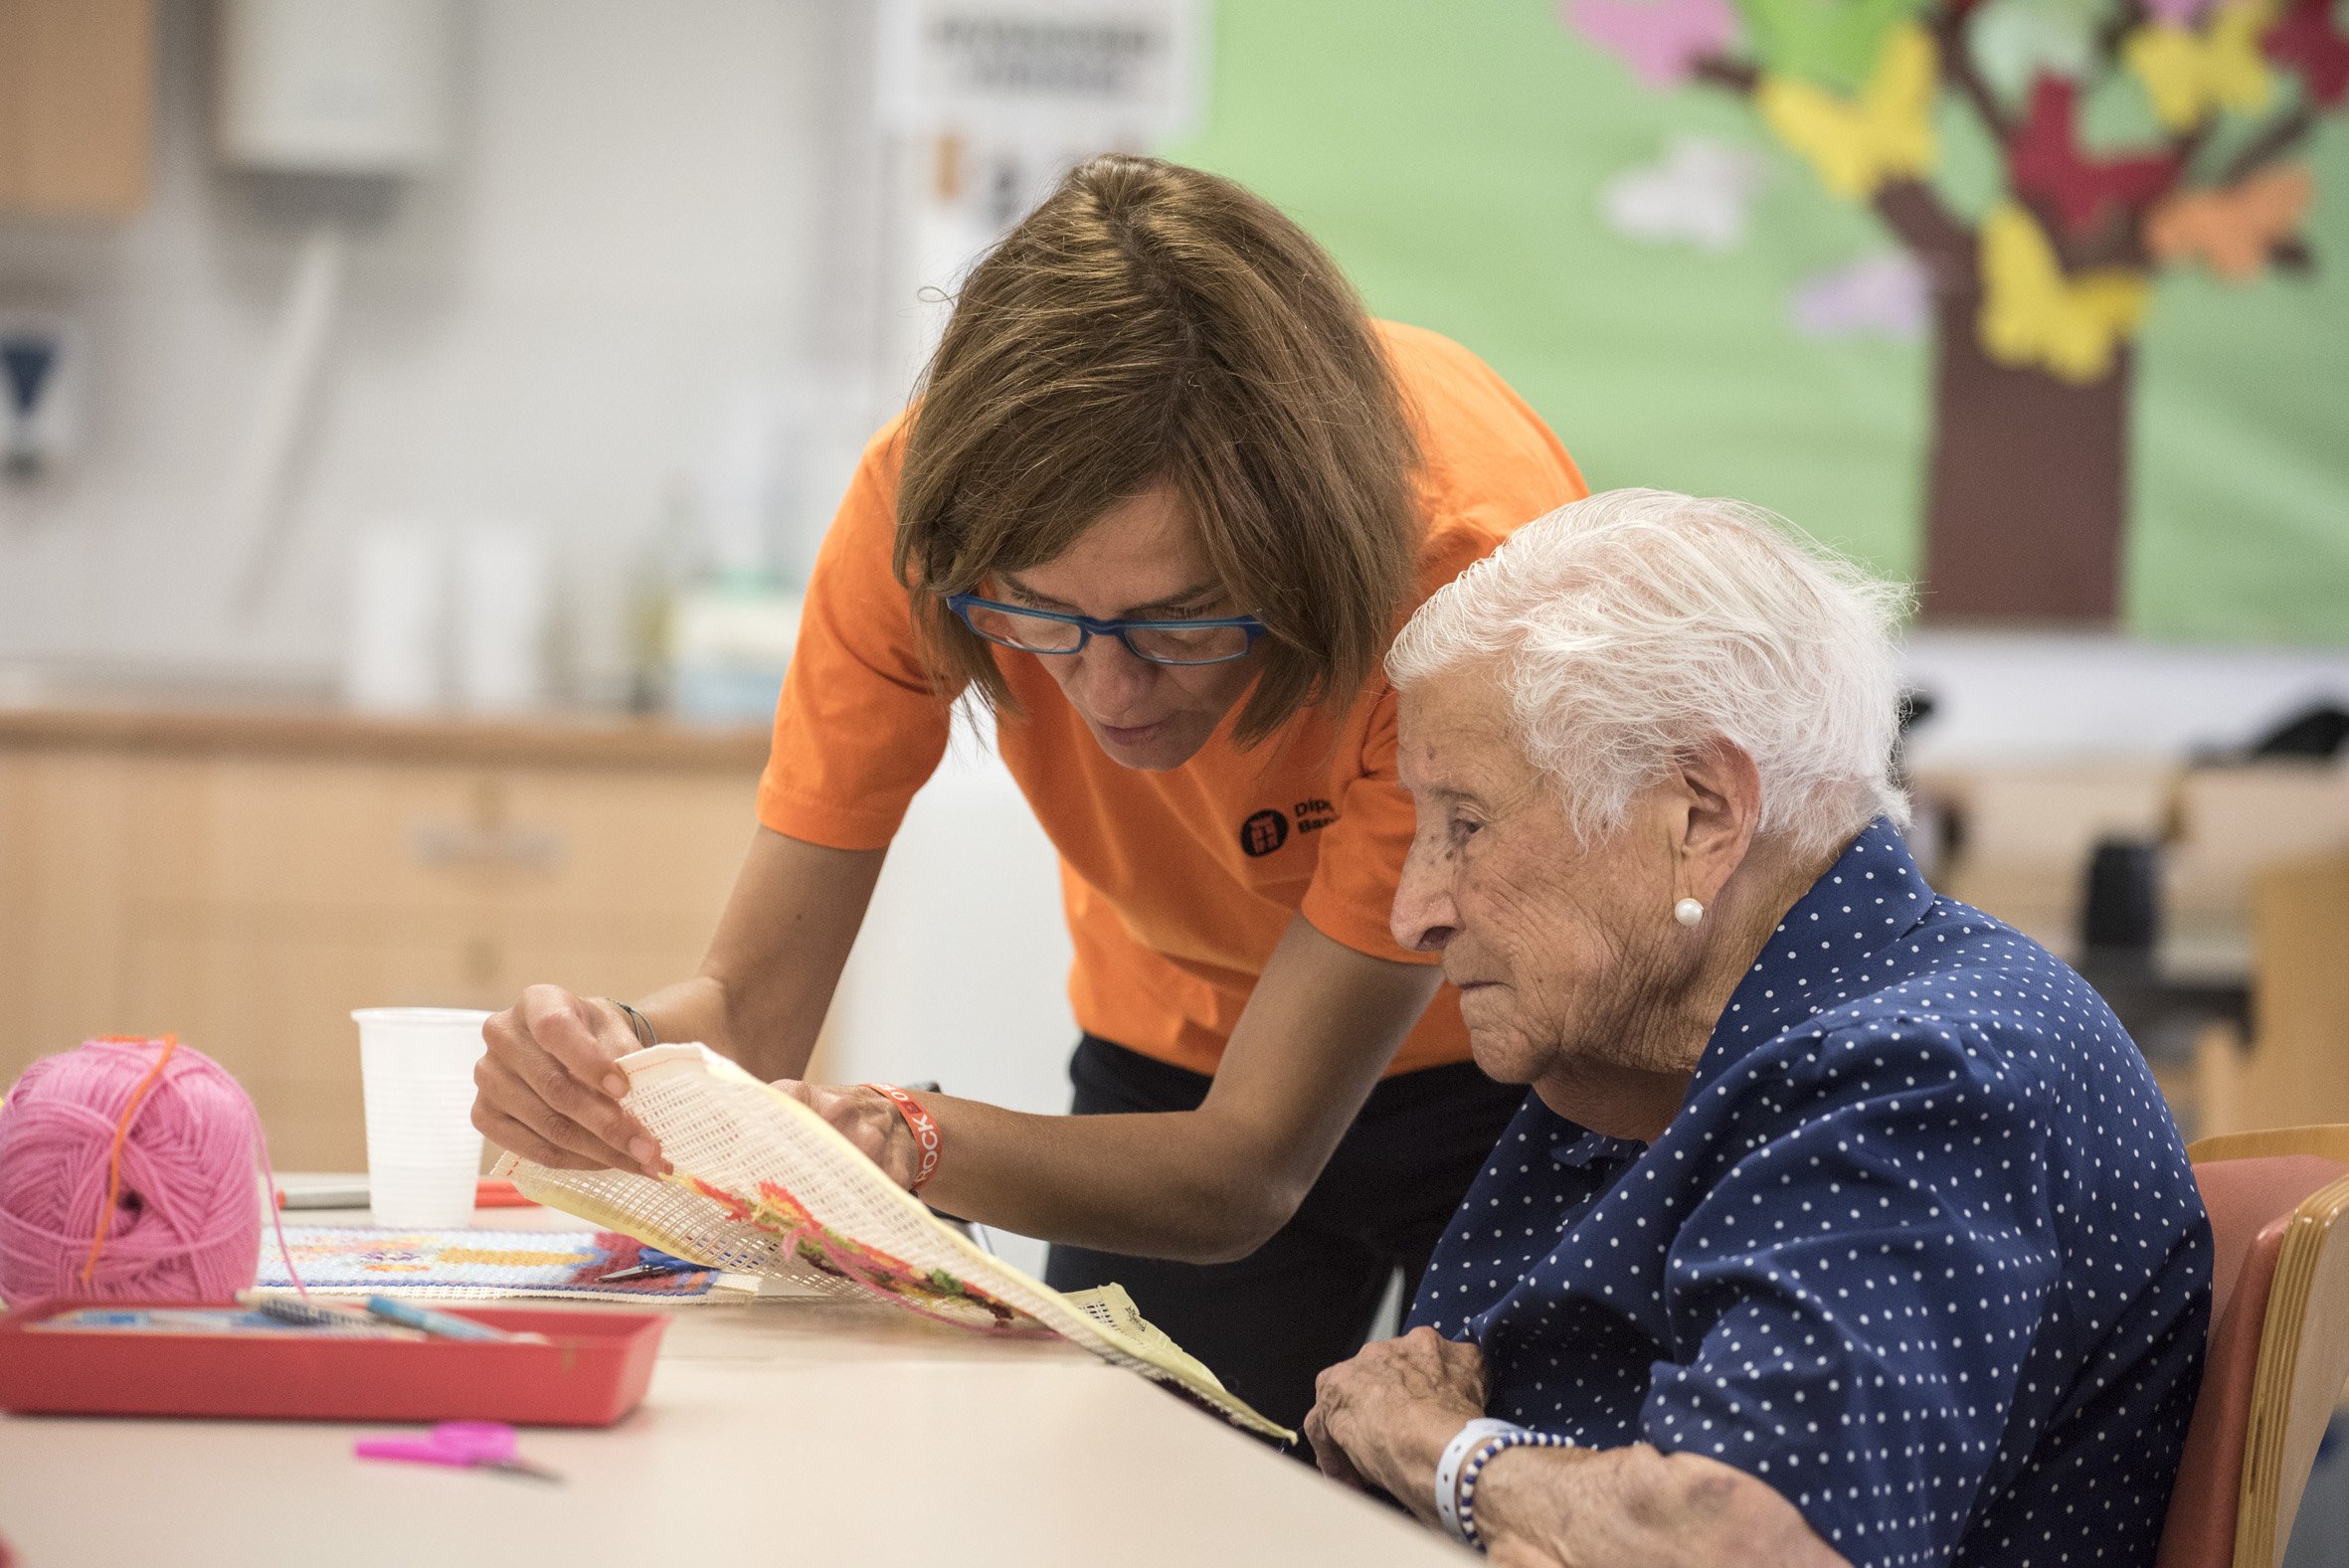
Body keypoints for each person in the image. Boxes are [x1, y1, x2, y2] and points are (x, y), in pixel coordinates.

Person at [467, 154, 1588, 1436]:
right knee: (1133, 1491)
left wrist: (906, 1135)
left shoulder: (1460, 578)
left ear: (1302, 559)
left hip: (1518, 1060)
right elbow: (751, 1009)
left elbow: (1247, 1166)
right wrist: (609, 1062)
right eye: (1039, 617)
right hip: (1179, 1033)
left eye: (1178, 622)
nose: (1105, 690)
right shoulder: (924, 523)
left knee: (1523, 1503)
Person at [1303, 489, 2211, 1565]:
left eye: (1464, 823)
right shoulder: (1629, 1054)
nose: (1415, 910)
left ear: (1701, 816)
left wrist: (1435, 1446)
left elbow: (1742, 1534)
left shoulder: (1930, 1074)